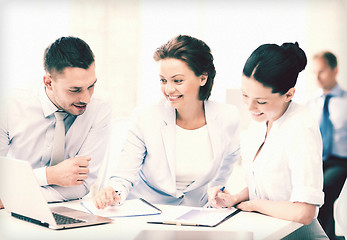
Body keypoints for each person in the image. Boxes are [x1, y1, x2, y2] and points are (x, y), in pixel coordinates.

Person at [93, 35, 240, 208]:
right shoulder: (145, 116)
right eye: (163, 80)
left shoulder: (227, 117)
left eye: (178, 80)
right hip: (147, 211)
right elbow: (124, 175)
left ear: (203, 78)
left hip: (197, 215)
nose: (169, 89)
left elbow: (224, 169)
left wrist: (217, 193)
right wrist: (113, 192)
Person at [209, 42, 328, 239]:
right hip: (268, 231)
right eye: (245, 95)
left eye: (261, 101)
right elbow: (269, 185)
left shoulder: (301, 126)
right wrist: (233, 199)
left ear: (289, 94)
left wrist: (254, 205)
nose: (249, 106)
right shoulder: (261, 120)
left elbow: (304, 212)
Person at [0, 36, 112, 208]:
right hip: (13, 213)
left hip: (72, 209)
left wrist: (11, 198)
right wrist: (49, 175)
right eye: (75, 90)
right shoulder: (10, 106)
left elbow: (82, 185)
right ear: (49, 82)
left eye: (91, 86)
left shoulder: (100, 106)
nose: (86, 98)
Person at [306, 51, 347, 240]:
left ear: (334, 70)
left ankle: (325, 236)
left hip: (340, 161)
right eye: (314, 72)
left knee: (325, 190)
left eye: (321, 71)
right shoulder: (310, 103)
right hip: (316, 160)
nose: (317, 77)